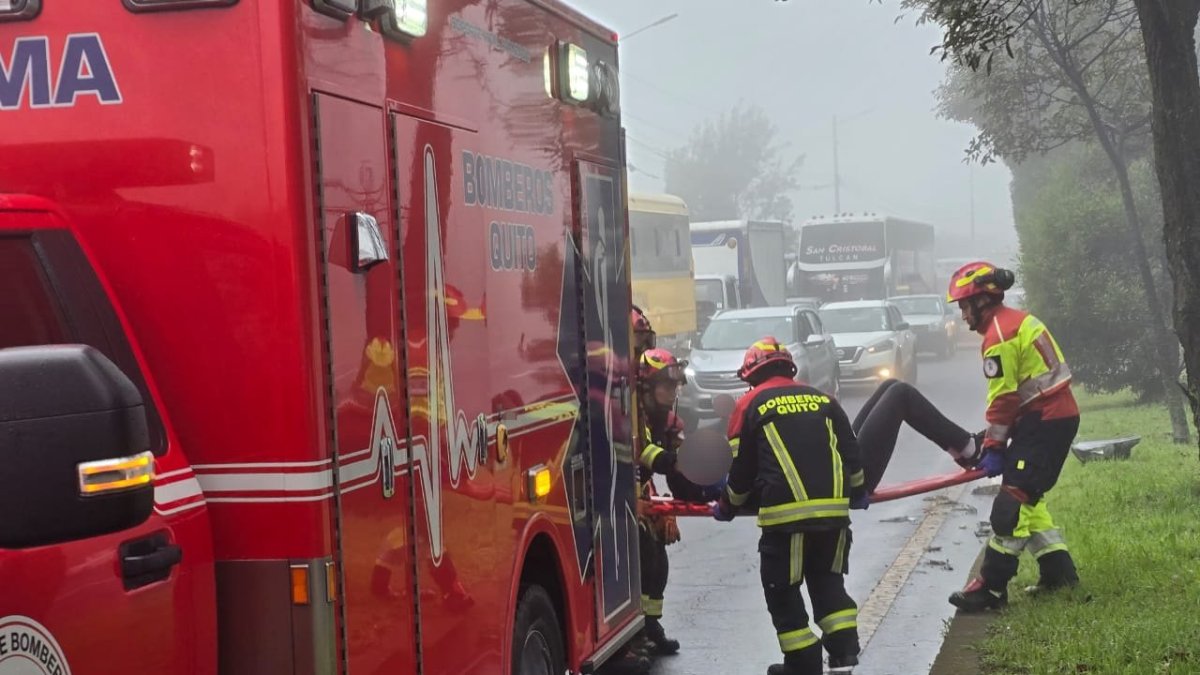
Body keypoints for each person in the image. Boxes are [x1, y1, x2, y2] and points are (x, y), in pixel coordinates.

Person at [712, 337, 866, 675]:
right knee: (828, 584)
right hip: (833, 517)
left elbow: (742, 470)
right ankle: (843, 659)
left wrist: (727, 505)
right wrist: (857, 492)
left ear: (751, 375)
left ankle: (802, 663)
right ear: (789, 368)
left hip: (785, 521)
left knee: (782, 592)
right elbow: (850, 451)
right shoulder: (823, 399)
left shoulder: (749, 404)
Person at [945, 261, 1080, 611]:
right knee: (1029, 497)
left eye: (964, 305)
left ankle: (990, 589)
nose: (962, 315)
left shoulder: (998, 337)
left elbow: (1003, 399)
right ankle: (1059, 574)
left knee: (1010, 506)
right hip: (1047, 418)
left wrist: (993, 446)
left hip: (1045, 421)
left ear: (981, 301)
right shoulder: (1014, 322)